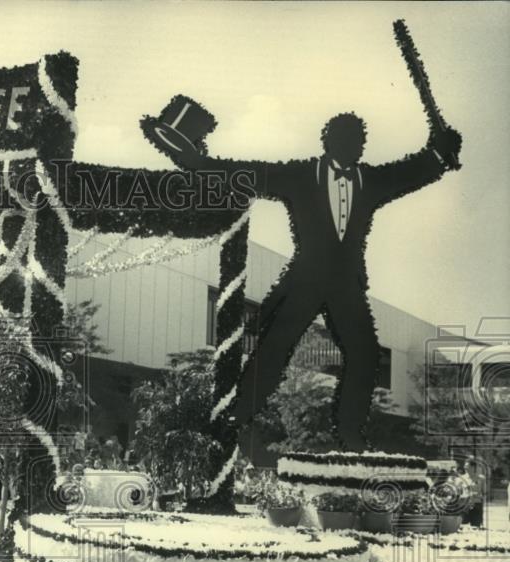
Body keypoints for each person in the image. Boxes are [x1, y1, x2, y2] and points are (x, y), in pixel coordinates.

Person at [146, 108, 462, 450]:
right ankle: (237, 414)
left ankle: (351, 435)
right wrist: (197, 161)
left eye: (361, 142)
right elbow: (250, 172)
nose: (358, 148)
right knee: (274, 347)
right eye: (350, 141)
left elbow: (410, 173)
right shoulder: (300, 175)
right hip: (305, 280)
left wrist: (439, 153)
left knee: (365, 354)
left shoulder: (369, 180)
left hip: (346, 285)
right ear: (330, 143)